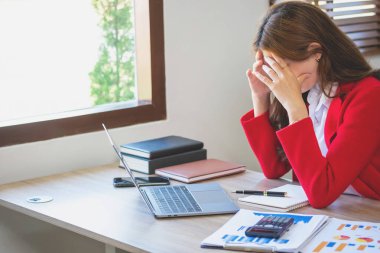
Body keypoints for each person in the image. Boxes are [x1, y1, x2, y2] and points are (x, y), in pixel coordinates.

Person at [241, 1, 380, 208]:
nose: (280, 77)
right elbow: (274, 167)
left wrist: (295, 108)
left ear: (317, 52)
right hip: (335, 211)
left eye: (284, 66)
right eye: (272, 67)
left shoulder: (369, 95)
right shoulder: (309, 90)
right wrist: (260, 97)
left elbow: (321, 193)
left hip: (367, 213)